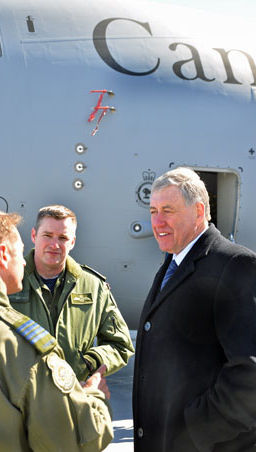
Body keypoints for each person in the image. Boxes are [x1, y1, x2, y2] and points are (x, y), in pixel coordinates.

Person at [0, 207, 113, 451]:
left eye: (62, 238)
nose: (24, 261)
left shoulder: (92, 285)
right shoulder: (26, 349)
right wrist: (94, 397)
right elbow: (74, 441)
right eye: (20, 253)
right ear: (3, 255)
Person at [133, 167, 256, 452]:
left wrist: (194, 432)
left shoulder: (234, 264)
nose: (158, 221)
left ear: (199, 211)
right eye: (153, 211)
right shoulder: (173, 264)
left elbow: (250, 373)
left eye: (168, 210)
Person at [9, 205, 134, 381]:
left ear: (73, 242)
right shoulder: (8, 281)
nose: (54, 244)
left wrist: (90, 362)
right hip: (19, 397)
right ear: (33, 235)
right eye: (47, 235)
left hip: (72, 396)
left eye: (63, 238)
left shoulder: (93, 286)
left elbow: (120, 345)